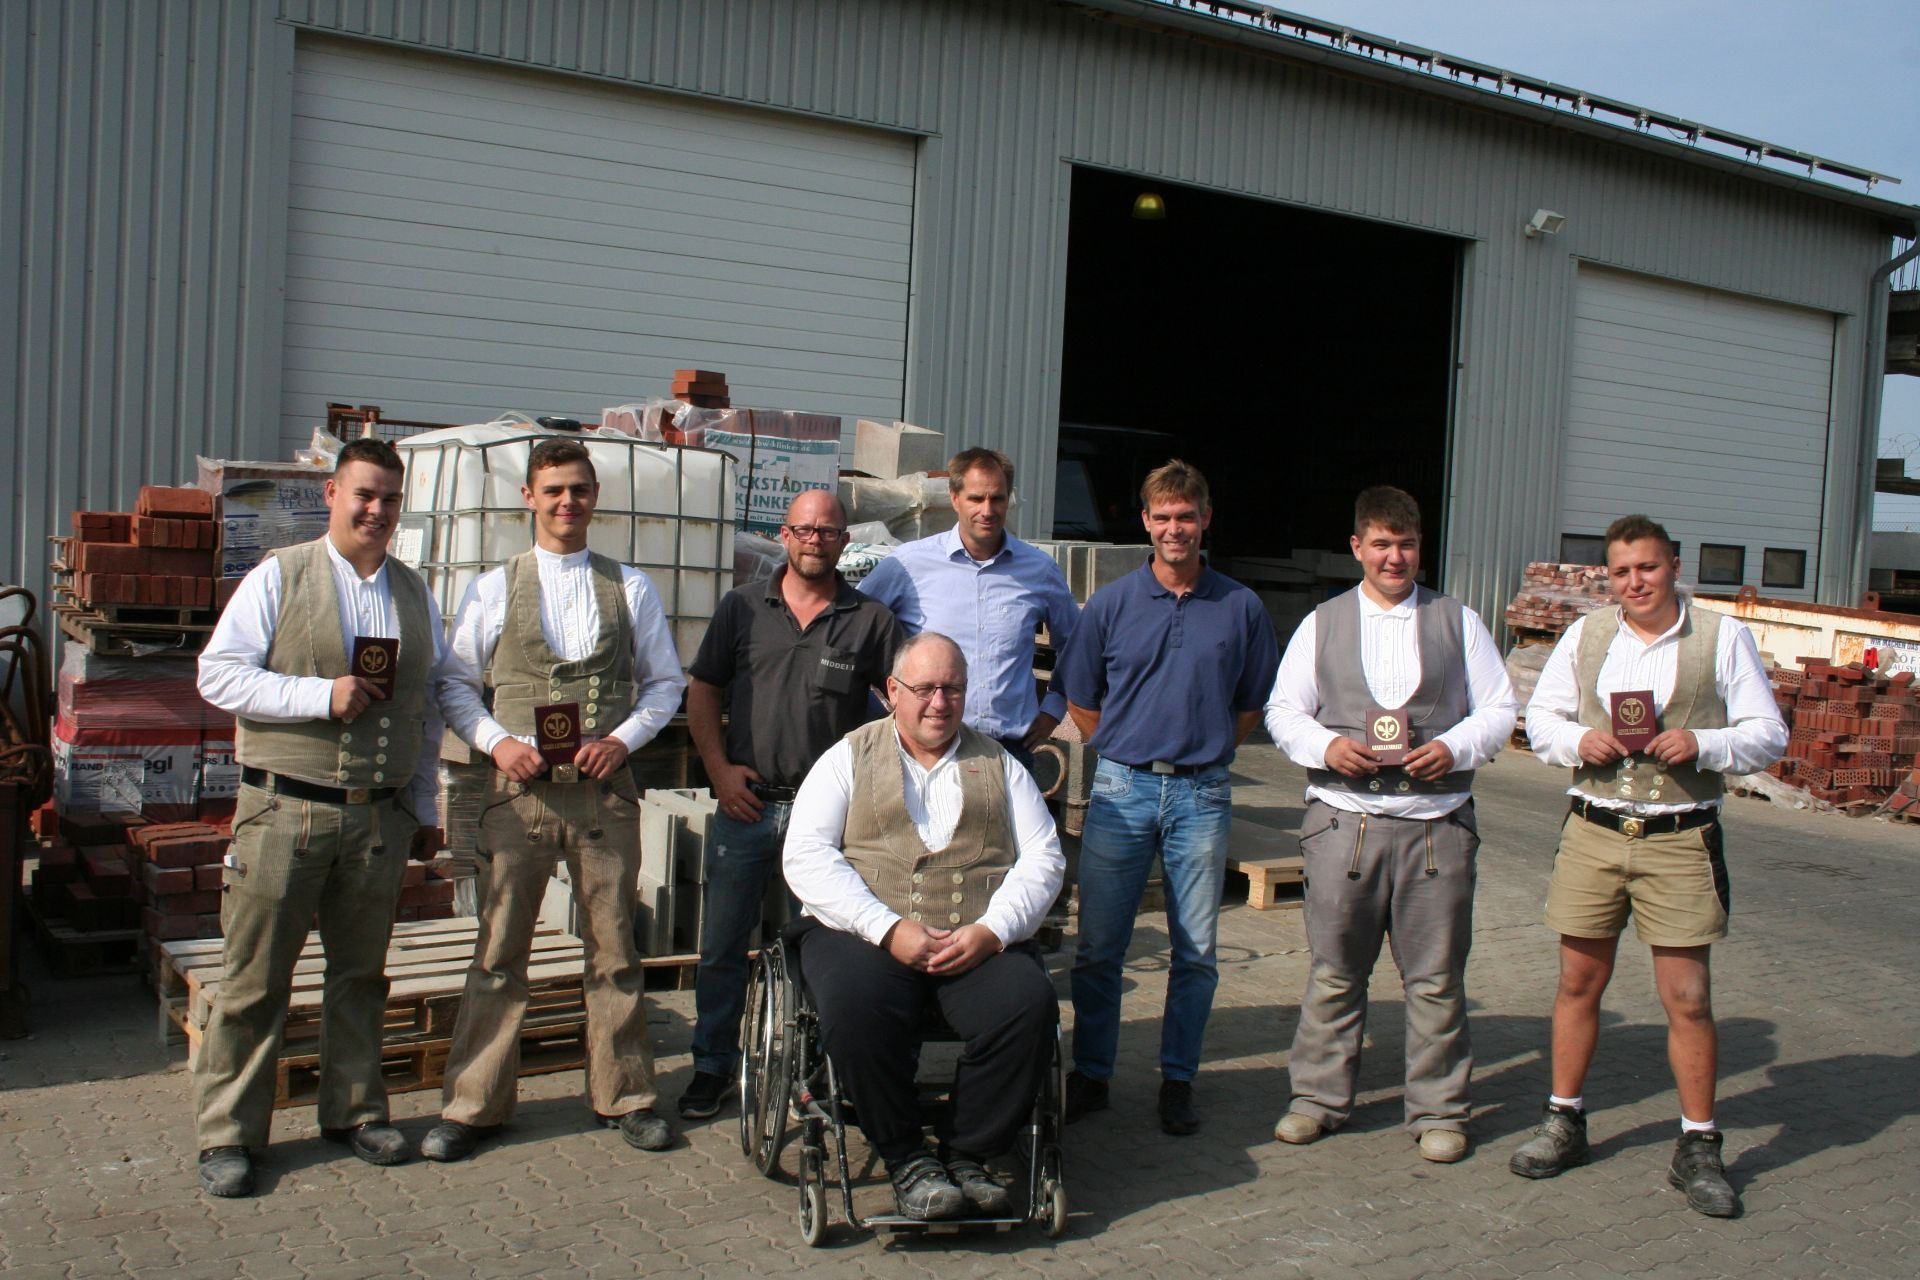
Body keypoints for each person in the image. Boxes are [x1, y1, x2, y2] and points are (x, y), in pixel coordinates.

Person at [193, 436, 449, 1198]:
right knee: (254, 982)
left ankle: (355, 1111)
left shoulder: (414, 591)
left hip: (376, 818)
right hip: (283, 810)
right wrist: (316, 694)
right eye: (364, 494)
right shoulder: (281, 574)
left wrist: (426, 806)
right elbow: (217, 674)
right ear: (332, 494)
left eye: (390, 499)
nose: (377, 510)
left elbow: (425, 708)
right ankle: (228, 1135)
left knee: (360, 977)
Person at [1510, 514, 1786, 1217]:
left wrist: (1704, 741)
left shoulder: (1722, 637)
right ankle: (1563, 1120)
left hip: (1679, 836)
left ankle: (1698, 1144)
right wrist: (1581, 739)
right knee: (1578, 980)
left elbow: (1767, 735)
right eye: (1623, 571)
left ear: (1674, 566)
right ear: (1611, 575)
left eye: (1649, 567)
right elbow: (1540, 720)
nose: (1636, 582)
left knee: (1688, 997)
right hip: (1596, 830)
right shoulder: (1589, 633)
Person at [422, 438, 688, 1162]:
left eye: (580, 490)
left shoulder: (629, 586)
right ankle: (473, 1105)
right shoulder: (492, 587)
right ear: (529, 499)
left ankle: (625, 1094)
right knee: (500, 949)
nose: (568, 503)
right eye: (554, 491)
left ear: (595, 497)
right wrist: (495, 742)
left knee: (614, 950)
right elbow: (453, 683)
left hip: (603, 796)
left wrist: (625, 739)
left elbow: (667, 684)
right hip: (518, 796)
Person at [1264, 486, 1517, 1163]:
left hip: (1436, 827)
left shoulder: (1458, 621)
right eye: (1380, 543)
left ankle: (1439, 1110)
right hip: (1345, 825)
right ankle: (1316, 1099)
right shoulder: (1322, 623)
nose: (1393, 556)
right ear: (1357, 548)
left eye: (1404, 544)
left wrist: (1455, 748)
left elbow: (1498, 709)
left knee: (1434, 978)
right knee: (1335, 972)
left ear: (1418, 548)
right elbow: (1283, 712)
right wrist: (1326, 748)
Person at [783, 632, 1064, 1220]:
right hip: (863, 937)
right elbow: (806, 854)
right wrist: (886, 929)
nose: (940, 702)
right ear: (892, 691)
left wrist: (993, 930)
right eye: (925, 688)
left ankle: (969, 1152)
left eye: (953, 689)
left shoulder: (1001, 765)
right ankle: (907, 1155)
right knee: (854, 1004)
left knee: (1027, 1003)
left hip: (974, 939)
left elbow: (1043, 858)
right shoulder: (847, 757)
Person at [1053, 459, 1279, 1136]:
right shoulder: (1113, 605)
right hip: (1122, 788)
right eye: (1162, 517)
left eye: (1187, 516)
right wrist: (1124, 747)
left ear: (1206, 520)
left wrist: (1202, 749)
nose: (1174, 529)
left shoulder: (1239, 607)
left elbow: (1251, 703)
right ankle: (1092, 1073)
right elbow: (1081, 697)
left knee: (1196, 950)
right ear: (1145, 522)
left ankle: (1177, 1079)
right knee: (1097, 948)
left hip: (1201, 795)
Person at [675, 489, 900, 1121]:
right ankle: (711, 1065)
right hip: (746, 806)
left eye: (827, 532)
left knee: (830, 948)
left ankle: (816, 1066)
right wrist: (719, 774)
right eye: (803, 530)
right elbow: (703, 691)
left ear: (845, 542)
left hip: (830, 819)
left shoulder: (871, 621)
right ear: (783, 535)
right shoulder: (743, 608)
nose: (814, 540)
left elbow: (900, 711)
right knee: (722, 945)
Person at [857, 447, 1079, 762]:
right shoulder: (908, 565)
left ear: (1008, 499)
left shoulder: (1039, 570)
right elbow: (851, 629)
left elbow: (1076, 645)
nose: (987, 510)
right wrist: (877, 707)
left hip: (1008, 753)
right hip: (926, 753)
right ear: (954, 498)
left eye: (997, 498)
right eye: (976, 498)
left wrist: (1053, 710)